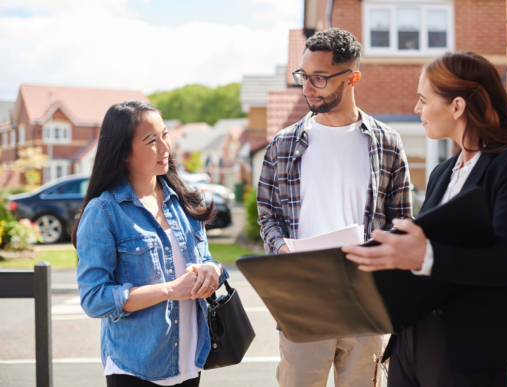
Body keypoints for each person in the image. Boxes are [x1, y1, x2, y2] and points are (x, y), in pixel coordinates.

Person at [343, 51, 507, 387]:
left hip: (468, 345)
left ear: (457, 107)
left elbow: (506, 261)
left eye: (423, 100)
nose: (416, 109)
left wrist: (423, 255)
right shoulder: (442, 171)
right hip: (411, 337)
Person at [257, 28, 412, 387]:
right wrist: (281, 248)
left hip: (365, 301)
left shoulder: (387, 143)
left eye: (319, 78)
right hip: (305, 299)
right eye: (303, 76)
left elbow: (402, 219)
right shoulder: (282, 144)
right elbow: (268, 216)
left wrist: (374, 249)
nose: (306, 87)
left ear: (352, 78)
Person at [73, 100, 228, 387]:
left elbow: (207, 258)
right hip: (136, 367)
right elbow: (94, 299)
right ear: (123, 153)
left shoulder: (183, 201)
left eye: (165, 135)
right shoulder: (104, 211)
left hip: (190, 361)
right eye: (151, 141)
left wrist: (213, 270)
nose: (165, 147)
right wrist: (169, 290)